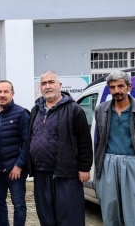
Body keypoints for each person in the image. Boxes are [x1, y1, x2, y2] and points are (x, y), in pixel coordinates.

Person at [29, 71, 92, 226]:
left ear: (60, 85)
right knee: (46, 217)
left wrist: (84, 167)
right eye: (43, 83)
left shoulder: (74, 109)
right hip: (40, 172)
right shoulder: (35, 110)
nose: (47, 86)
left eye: (51, 82)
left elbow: (84, 140)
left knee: (69, 218)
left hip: (65, 173)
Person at [94, 71, 135, 225]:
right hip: (108, 164)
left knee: (134, 212)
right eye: (112, 87)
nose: (116, 90)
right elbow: (98, 140)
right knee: (110, 211)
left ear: (129, 87)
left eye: (120, 86)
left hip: (134, 165)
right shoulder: (101, 109)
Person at [0, 81, 30, 226]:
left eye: (6, 92)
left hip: (14, 170)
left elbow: (27, 142)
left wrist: (19, 165)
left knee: (19, 204)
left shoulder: (21, 113)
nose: (2, 95)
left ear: (12, 94)